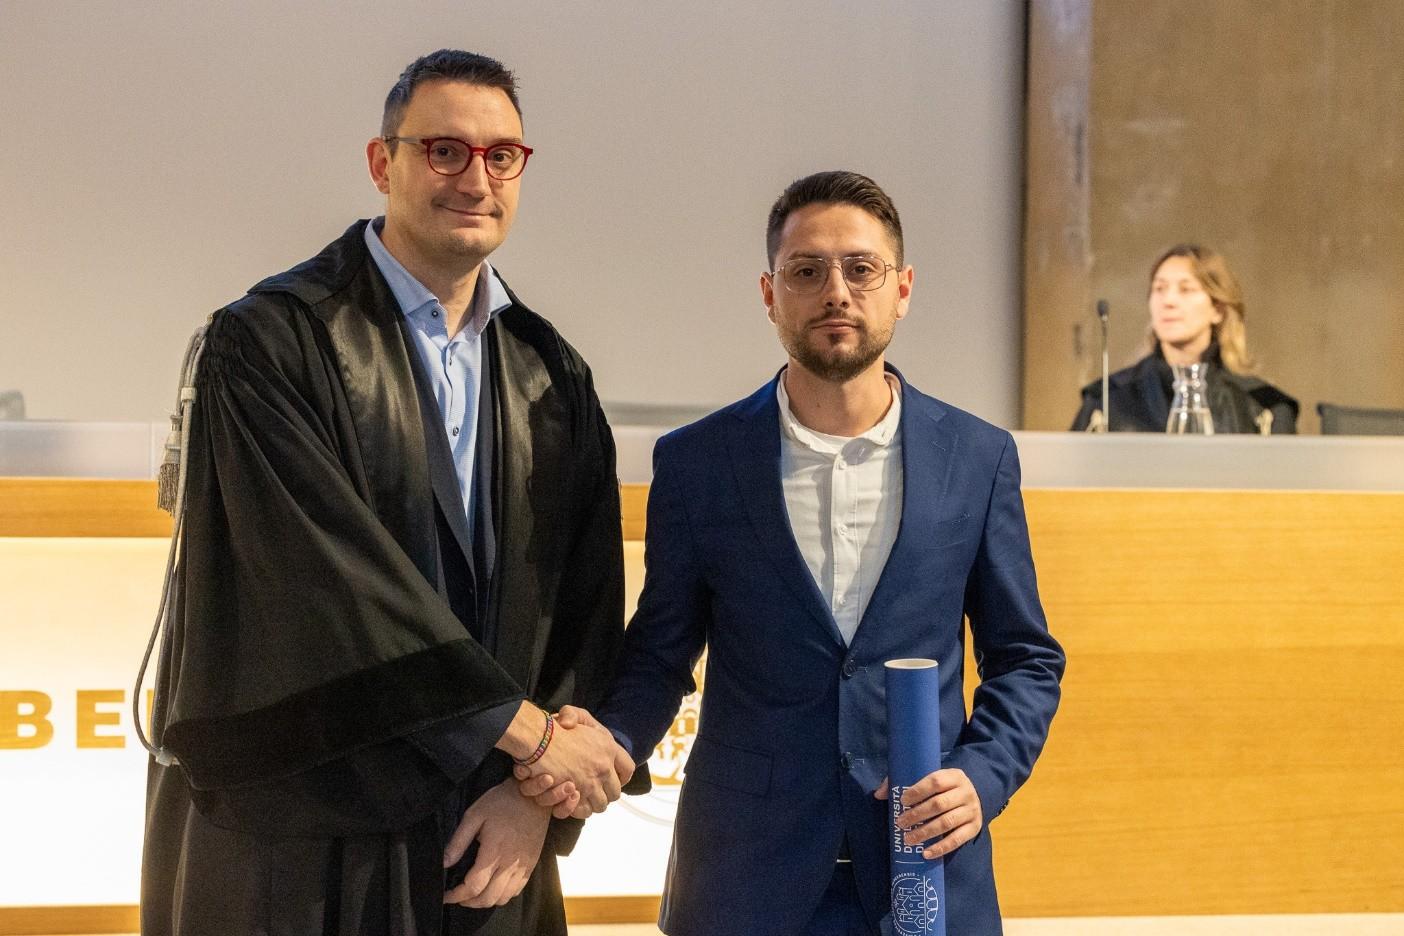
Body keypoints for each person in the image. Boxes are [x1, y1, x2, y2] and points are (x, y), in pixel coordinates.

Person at [140, 49, 634, 936]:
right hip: (298, 835)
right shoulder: (268, 342)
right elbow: (324, 581)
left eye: (501, 156)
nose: (475, 179)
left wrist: (538, 801)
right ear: (383, 162)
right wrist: (528, 734)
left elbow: (584, 608)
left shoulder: (551, 372)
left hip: (489, 835)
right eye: (444, 151)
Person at [526, 171, 1065, 935]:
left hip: (924, 874)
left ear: (902, 289)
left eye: (861, 269)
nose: (835, 292)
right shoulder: (700, 462)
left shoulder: (977, 458)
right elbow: (659, 654)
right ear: (770, 294)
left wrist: (983, 776)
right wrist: (608, 746)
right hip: (742, 881)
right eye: (806, 271)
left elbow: (1025, 658)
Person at [1072, 244, 1299, 433]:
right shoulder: (1108, 400)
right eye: (1159, 289)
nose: (1168, 301)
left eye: (1186, 289)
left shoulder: (1262, 406)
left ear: (1218, 309)